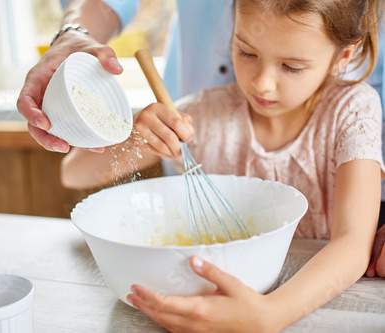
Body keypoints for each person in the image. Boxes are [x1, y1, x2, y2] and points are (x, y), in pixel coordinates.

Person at [60, 0, 385, 330]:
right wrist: (137, 135)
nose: (262, 83)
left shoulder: (352, 112)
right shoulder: (204, 115)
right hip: (204, 296)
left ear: (343, 56)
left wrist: (270, 314)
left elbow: (353, 244)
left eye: (291, 67)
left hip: (314, 309)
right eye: (247, 52)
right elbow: (73, 171)